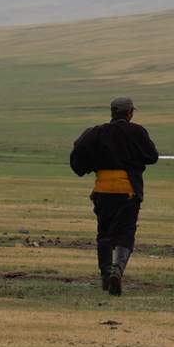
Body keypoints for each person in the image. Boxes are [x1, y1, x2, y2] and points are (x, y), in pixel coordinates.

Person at [69, 96, 158, 296]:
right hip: (127, 191)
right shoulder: (137, 132)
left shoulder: (96, 133)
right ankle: (117, 271)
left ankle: (105, 275)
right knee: (125, 232)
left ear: (112, 113)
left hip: (102, 190)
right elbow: (152, 157)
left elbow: (78, 155)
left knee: (104, 233)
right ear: (130, 113)